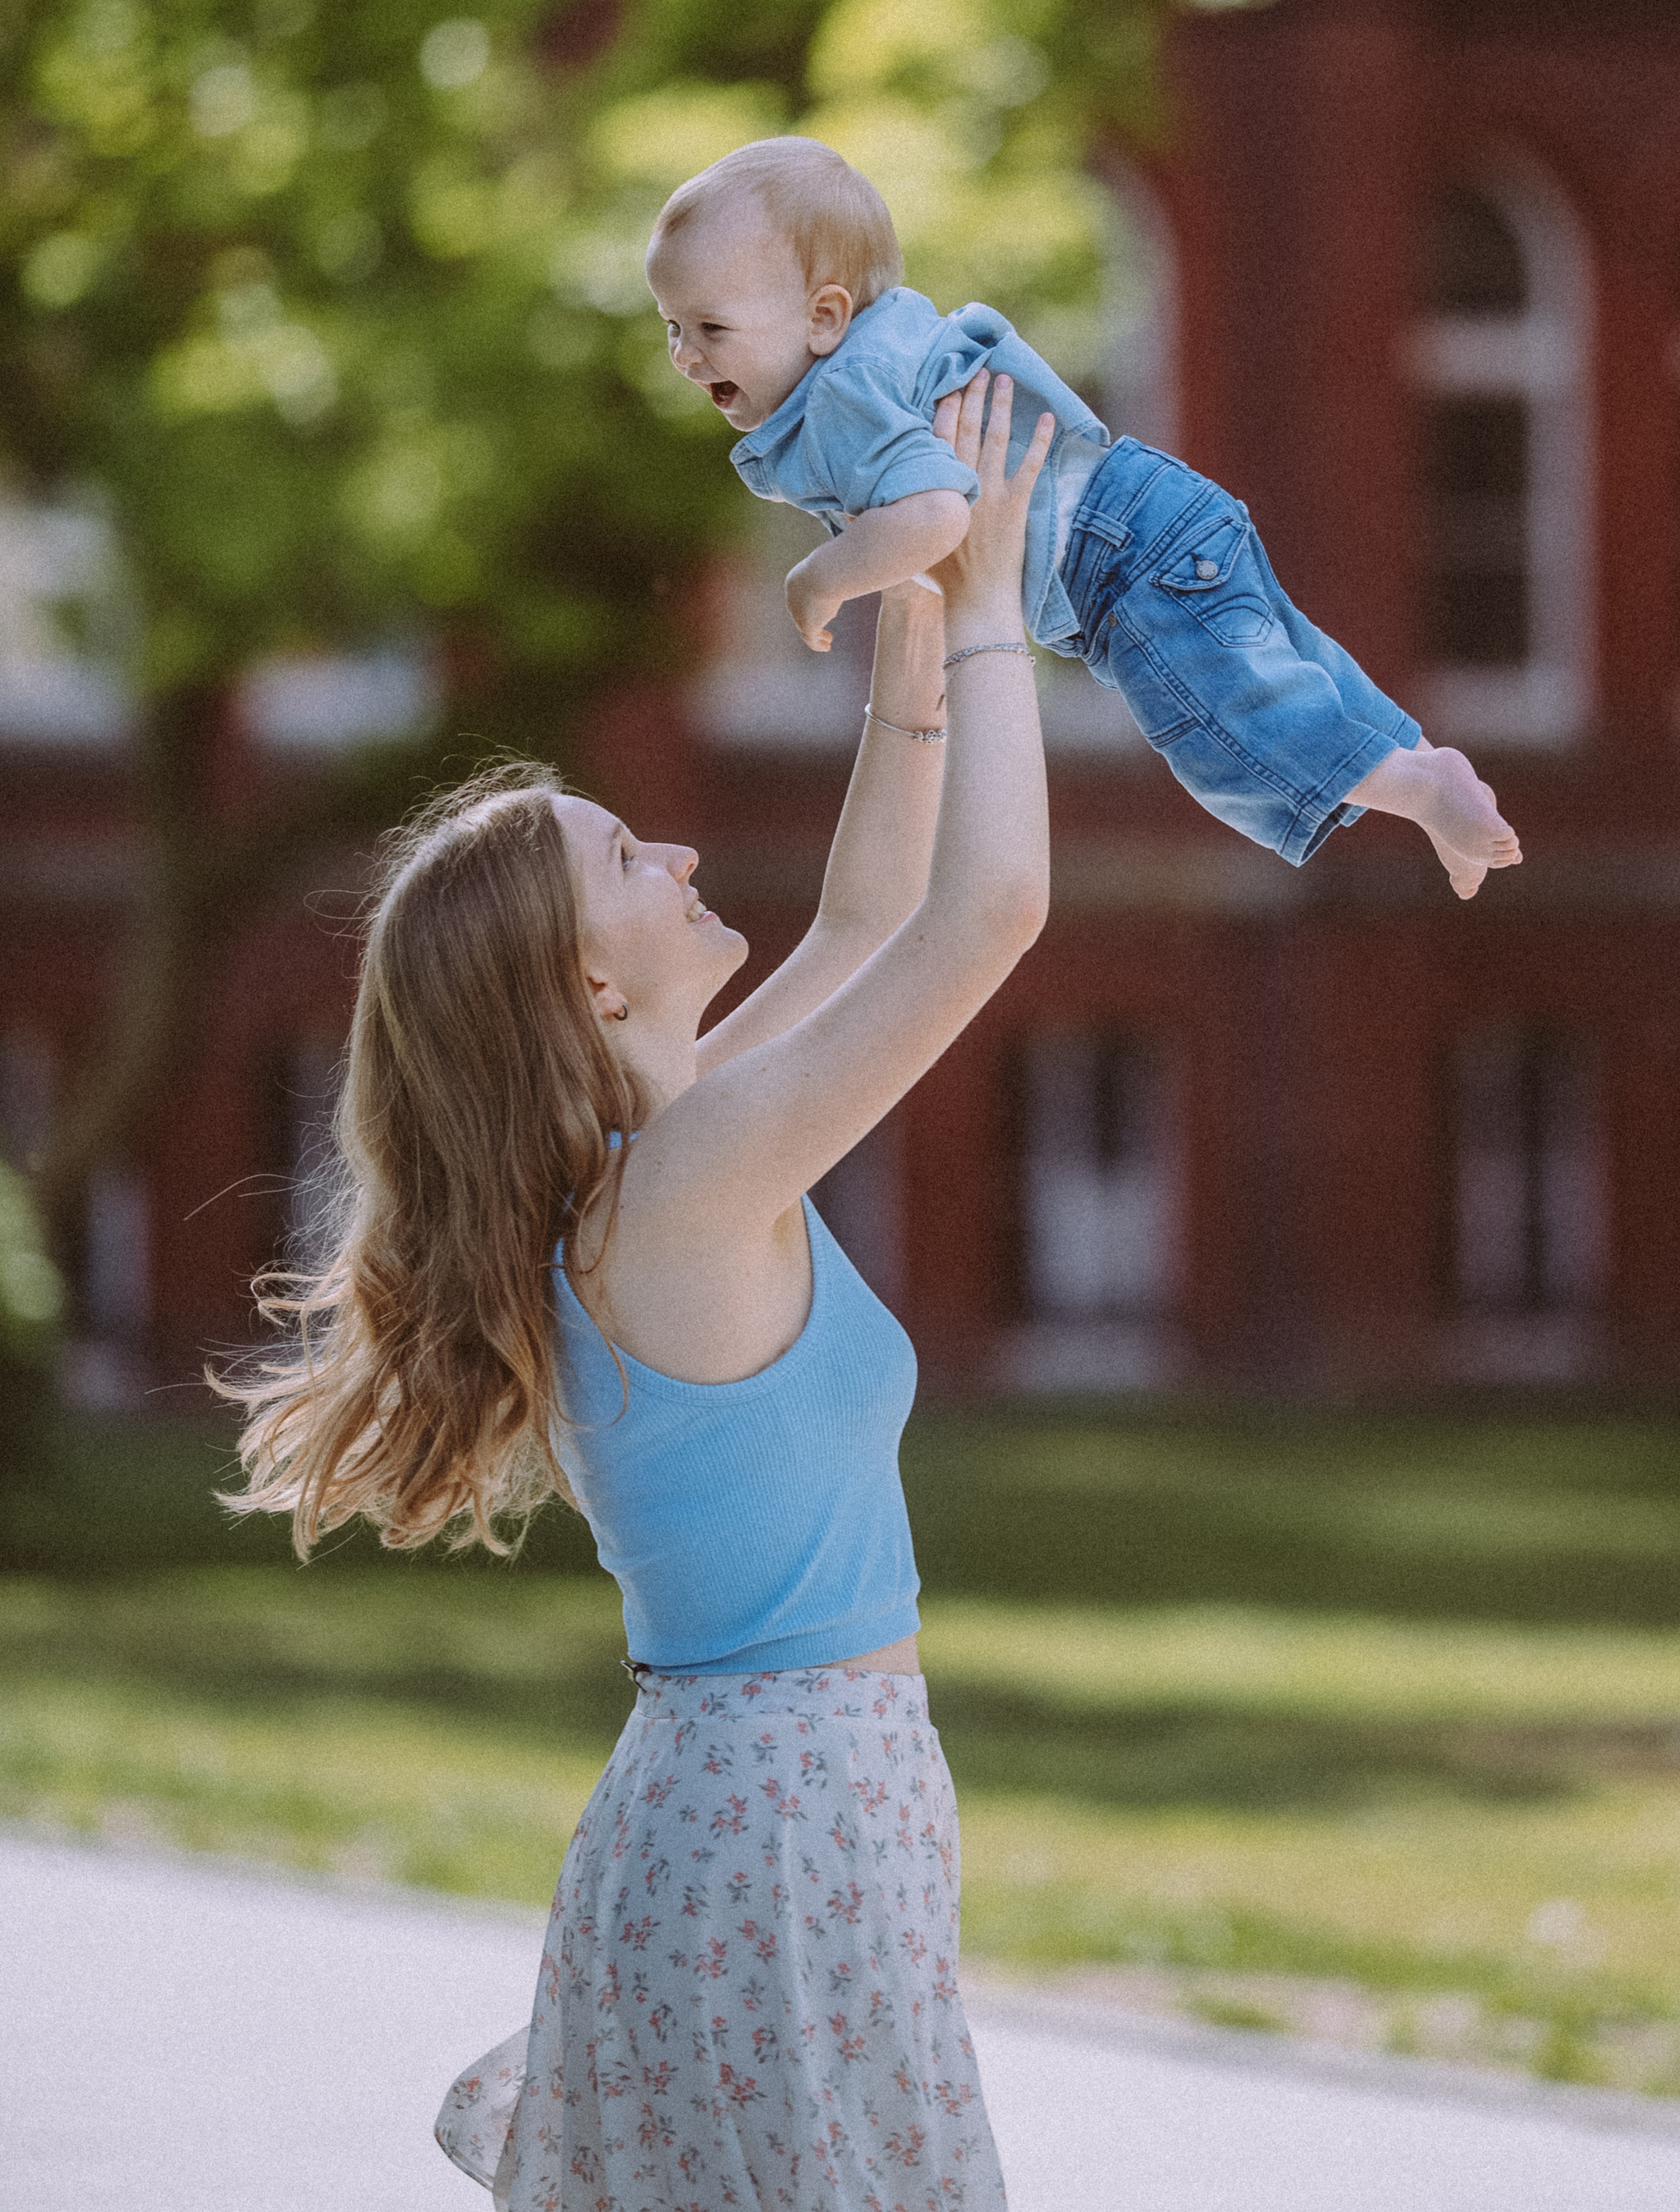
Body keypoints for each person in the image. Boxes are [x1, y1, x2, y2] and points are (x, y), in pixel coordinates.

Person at [218, 367, 1054, 2212]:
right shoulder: (683, 1191)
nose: (676, 851)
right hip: (783, 1819)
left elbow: (866, 919)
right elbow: (985, 913)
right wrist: (998, 605)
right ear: (591, 989)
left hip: (782, 1807)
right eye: (625, 856)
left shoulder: (663, 1161)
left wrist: (916, 620)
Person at [647, 135, 1522, 895]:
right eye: (672, 327)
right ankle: (1422, 771)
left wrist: (820, 578)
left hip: (1119, 562)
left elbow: (934, 516)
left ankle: (1417, 787)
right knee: (1288, 664)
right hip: (1154, 508)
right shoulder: (888, 344)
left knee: (1222, 728)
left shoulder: (845, 393)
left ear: (824, 316)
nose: (685, 357)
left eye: (711, 329)